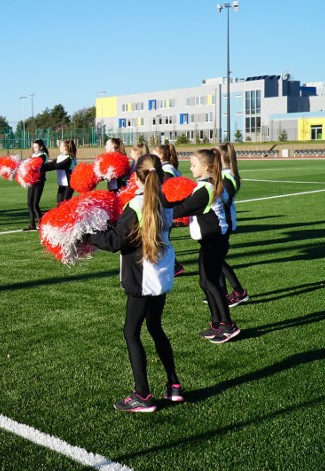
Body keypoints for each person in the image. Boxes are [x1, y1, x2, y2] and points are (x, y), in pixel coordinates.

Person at [88, 155, 183, 412]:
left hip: (142, 276)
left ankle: (142, 395)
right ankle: (173, 385)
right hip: (161, 273)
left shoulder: (136, 204)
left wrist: (87, 232)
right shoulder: (164, 202)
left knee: (131, 331)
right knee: (155, 327)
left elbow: (116, 241)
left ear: (136, 176)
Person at [170, 148, 241, 343]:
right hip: (211, 241)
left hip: (214, 241)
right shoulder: (209, 184)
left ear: (206, 167)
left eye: (193, 165)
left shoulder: (206, 189)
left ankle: (228, 325)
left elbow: (182, 209)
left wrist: (156, 207)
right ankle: (216, 323)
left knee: (211, 282)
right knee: (205, 282)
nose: (190, 168)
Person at [217, 142, 249, 306]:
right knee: (217, 258)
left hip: (225, 221)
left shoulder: (227, 176)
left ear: (223, 157)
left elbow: (223, 200)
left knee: (217, 259)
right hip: (224, 220)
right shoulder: (225, 174)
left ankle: (239, 291)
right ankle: (220, 293)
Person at [152, 143, 185, 277]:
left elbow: (166, 190)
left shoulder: (166, 170)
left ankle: (174, 266)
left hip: (166, 209)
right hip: (168, 209)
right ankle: (174, 265)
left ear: (160, 156)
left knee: (162, 239)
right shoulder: (170, 168)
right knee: (164, 239)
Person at [23, 139, 49, 231]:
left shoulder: (43, 155)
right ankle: (32, 224)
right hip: (31, 180)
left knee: (35, 204)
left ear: (41, 147)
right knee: (29, 203)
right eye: (33, 147)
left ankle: (41, 224)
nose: (34, 149)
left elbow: (36, 164)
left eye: (36, 147)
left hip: (39, 181)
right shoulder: (33, 155)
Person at [44, 139, 77, 205]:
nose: (59, 147)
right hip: (62, 185)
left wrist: (40, 169)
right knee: (59, 205)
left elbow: (58, 165)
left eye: (60, 146)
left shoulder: (70, 158)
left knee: (65, 205)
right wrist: (38, 166)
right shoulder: (60, 157)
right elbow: (51, 164)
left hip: (69, 186)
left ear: (65, 148)